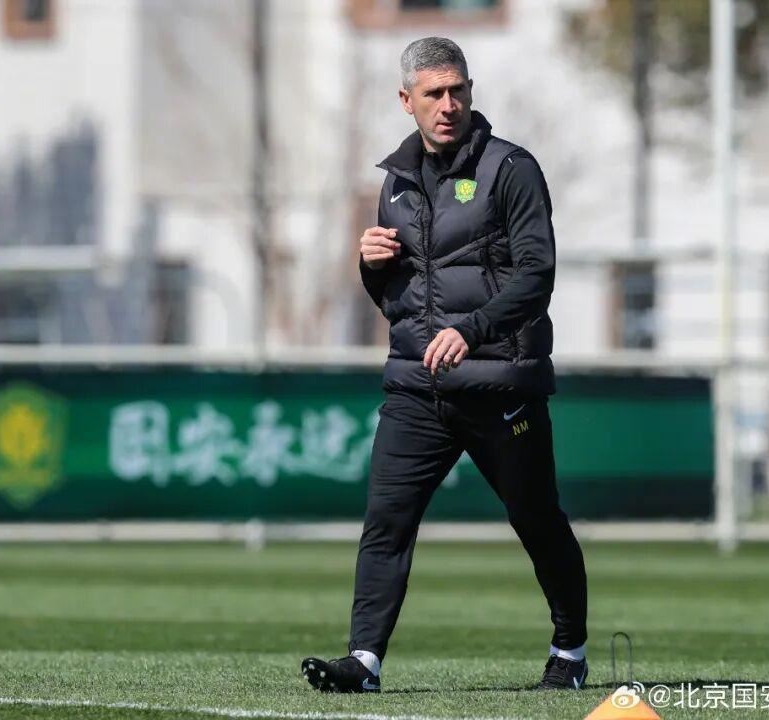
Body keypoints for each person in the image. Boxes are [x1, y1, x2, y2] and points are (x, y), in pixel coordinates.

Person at [301, 37, 589, 693]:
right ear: (407, 101)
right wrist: (371, 267)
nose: (448, 104)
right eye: (434, 93)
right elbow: (401, 300)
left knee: (537, 521)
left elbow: (537, 275)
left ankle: (569, 653)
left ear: (470, 91)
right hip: (417, 389)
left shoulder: (511, 168)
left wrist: (472, 330)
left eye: (458, 90)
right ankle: (364, 662)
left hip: (500, 386)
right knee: (386, 524)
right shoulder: (396, 183)